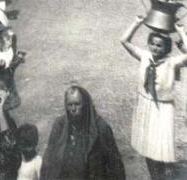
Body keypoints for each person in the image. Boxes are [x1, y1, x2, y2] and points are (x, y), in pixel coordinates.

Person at [120, 17, 187, 179]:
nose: (155, 48)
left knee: (160, 150)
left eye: (160, 46)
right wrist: (137, 22)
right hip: (145, 106)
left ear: (166, 48)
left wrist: (181, 32)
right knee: (148, 149)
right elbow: (124, 40)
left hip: (162, 109)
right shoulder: (144, 56)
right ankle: (154, 176)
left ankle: (164, 176)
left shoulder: (171, 63)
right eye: (153, 44)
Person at [40, 85, 125, 180]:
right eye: (69, 105)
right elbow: (48, 162)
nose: (73, 109)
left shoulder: (100, 129)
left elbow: (115, 167)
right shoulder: (60, 127)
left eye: (77, 104)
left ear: (85, 105)